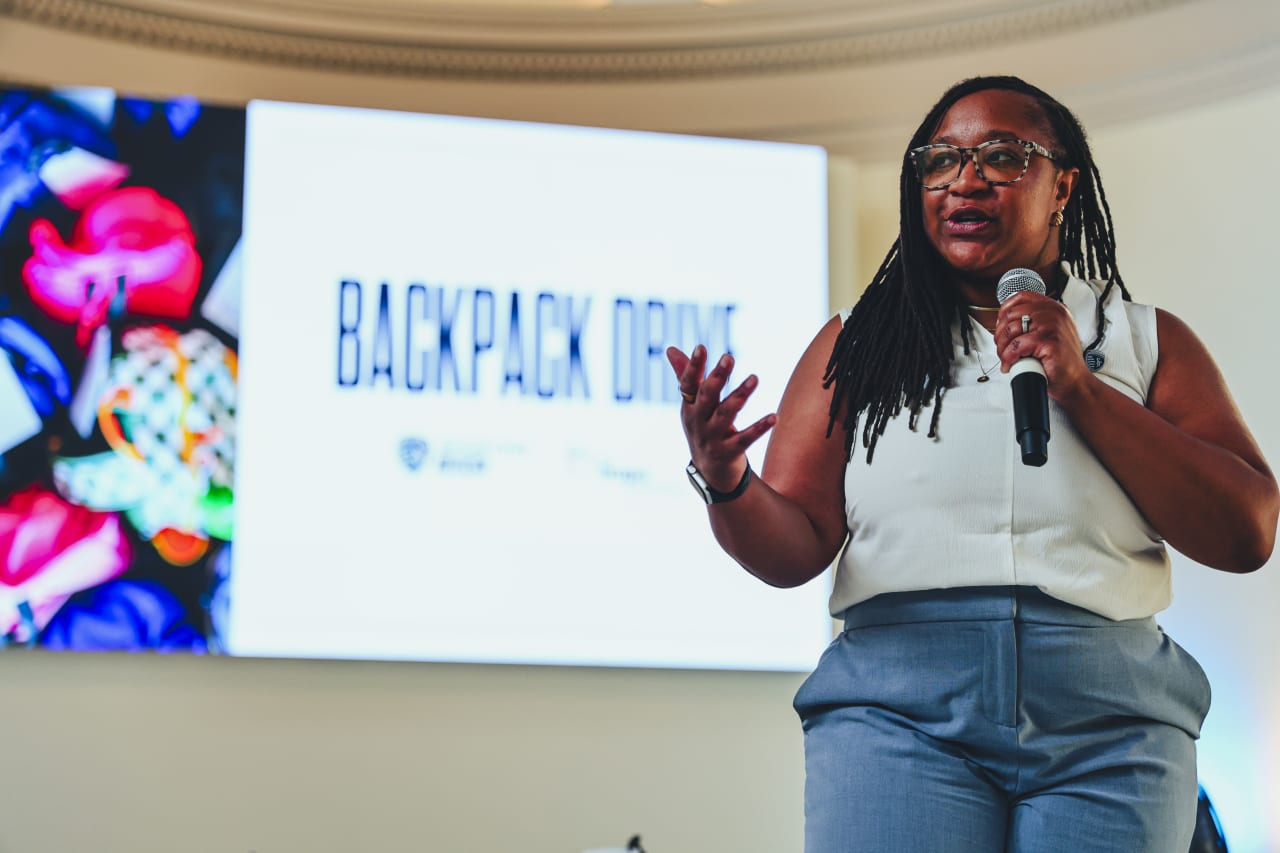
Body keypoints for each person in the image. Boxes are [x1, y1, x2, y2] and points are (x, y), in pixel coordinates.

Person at [667, 75, 1278, 853]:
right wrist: (728, 481)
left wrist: (1081, 389)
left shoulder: (1146, 341)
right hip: (898, 714)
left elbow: (1246, 529)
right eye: (940, 160)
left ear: (1064, 185)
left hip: (1111, 727)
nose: (965, 178)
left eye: (1002, 155)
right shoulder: (858, 345)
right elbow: (795, 546)